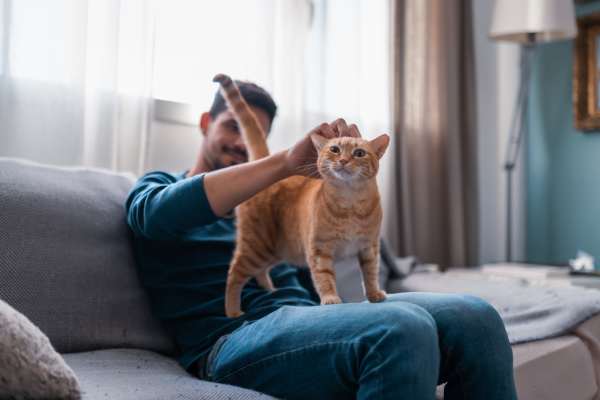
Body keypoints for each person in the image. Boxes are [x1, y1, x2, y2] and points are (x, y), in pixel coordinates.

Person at [125, 81, 517, 400]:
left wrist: (342, 169)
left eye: (256, 134)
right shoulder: (159, 185)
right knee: (400, 326)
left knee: (476, 317)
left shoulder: (274, 201)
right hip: (229, 343)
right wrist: (280, 165)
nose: (244, 143)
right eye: (235, 126)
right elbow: (157, 216)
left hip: (309, 319)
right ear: (206, 122)